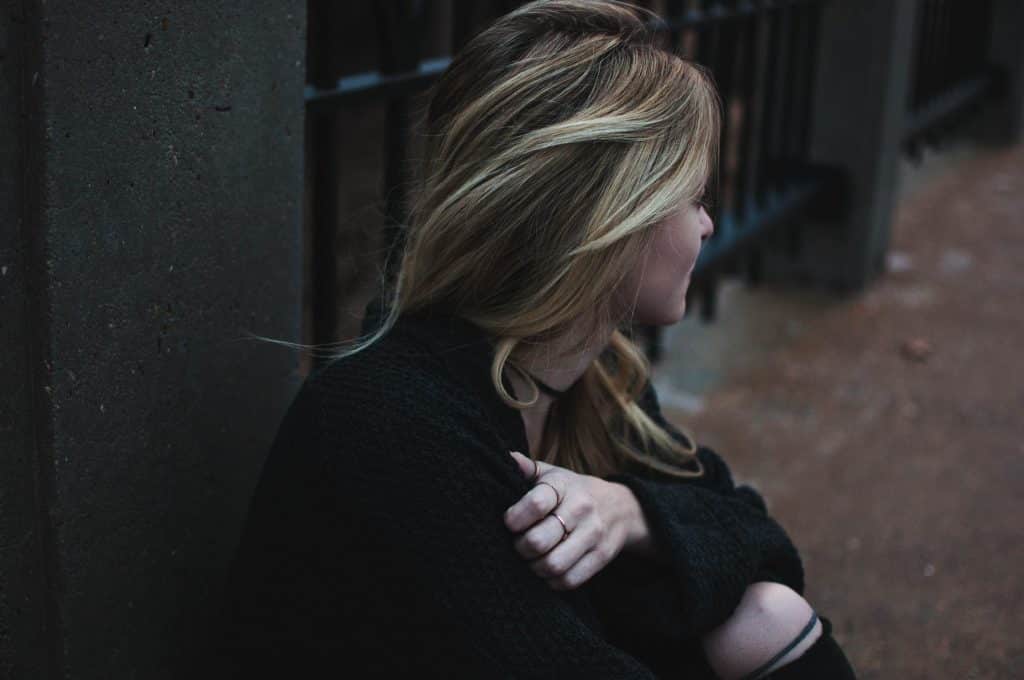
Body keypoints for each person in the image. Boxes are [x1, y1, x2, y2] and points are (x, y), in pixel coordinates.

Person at [213, 1, 857, 678]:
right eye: (693, 196)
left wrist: (632, 513)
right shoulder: (388, 421)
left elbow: (762, 542)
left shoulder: (587, 373)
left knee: (764, 616)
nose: (706, 225)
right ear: (610, 215)